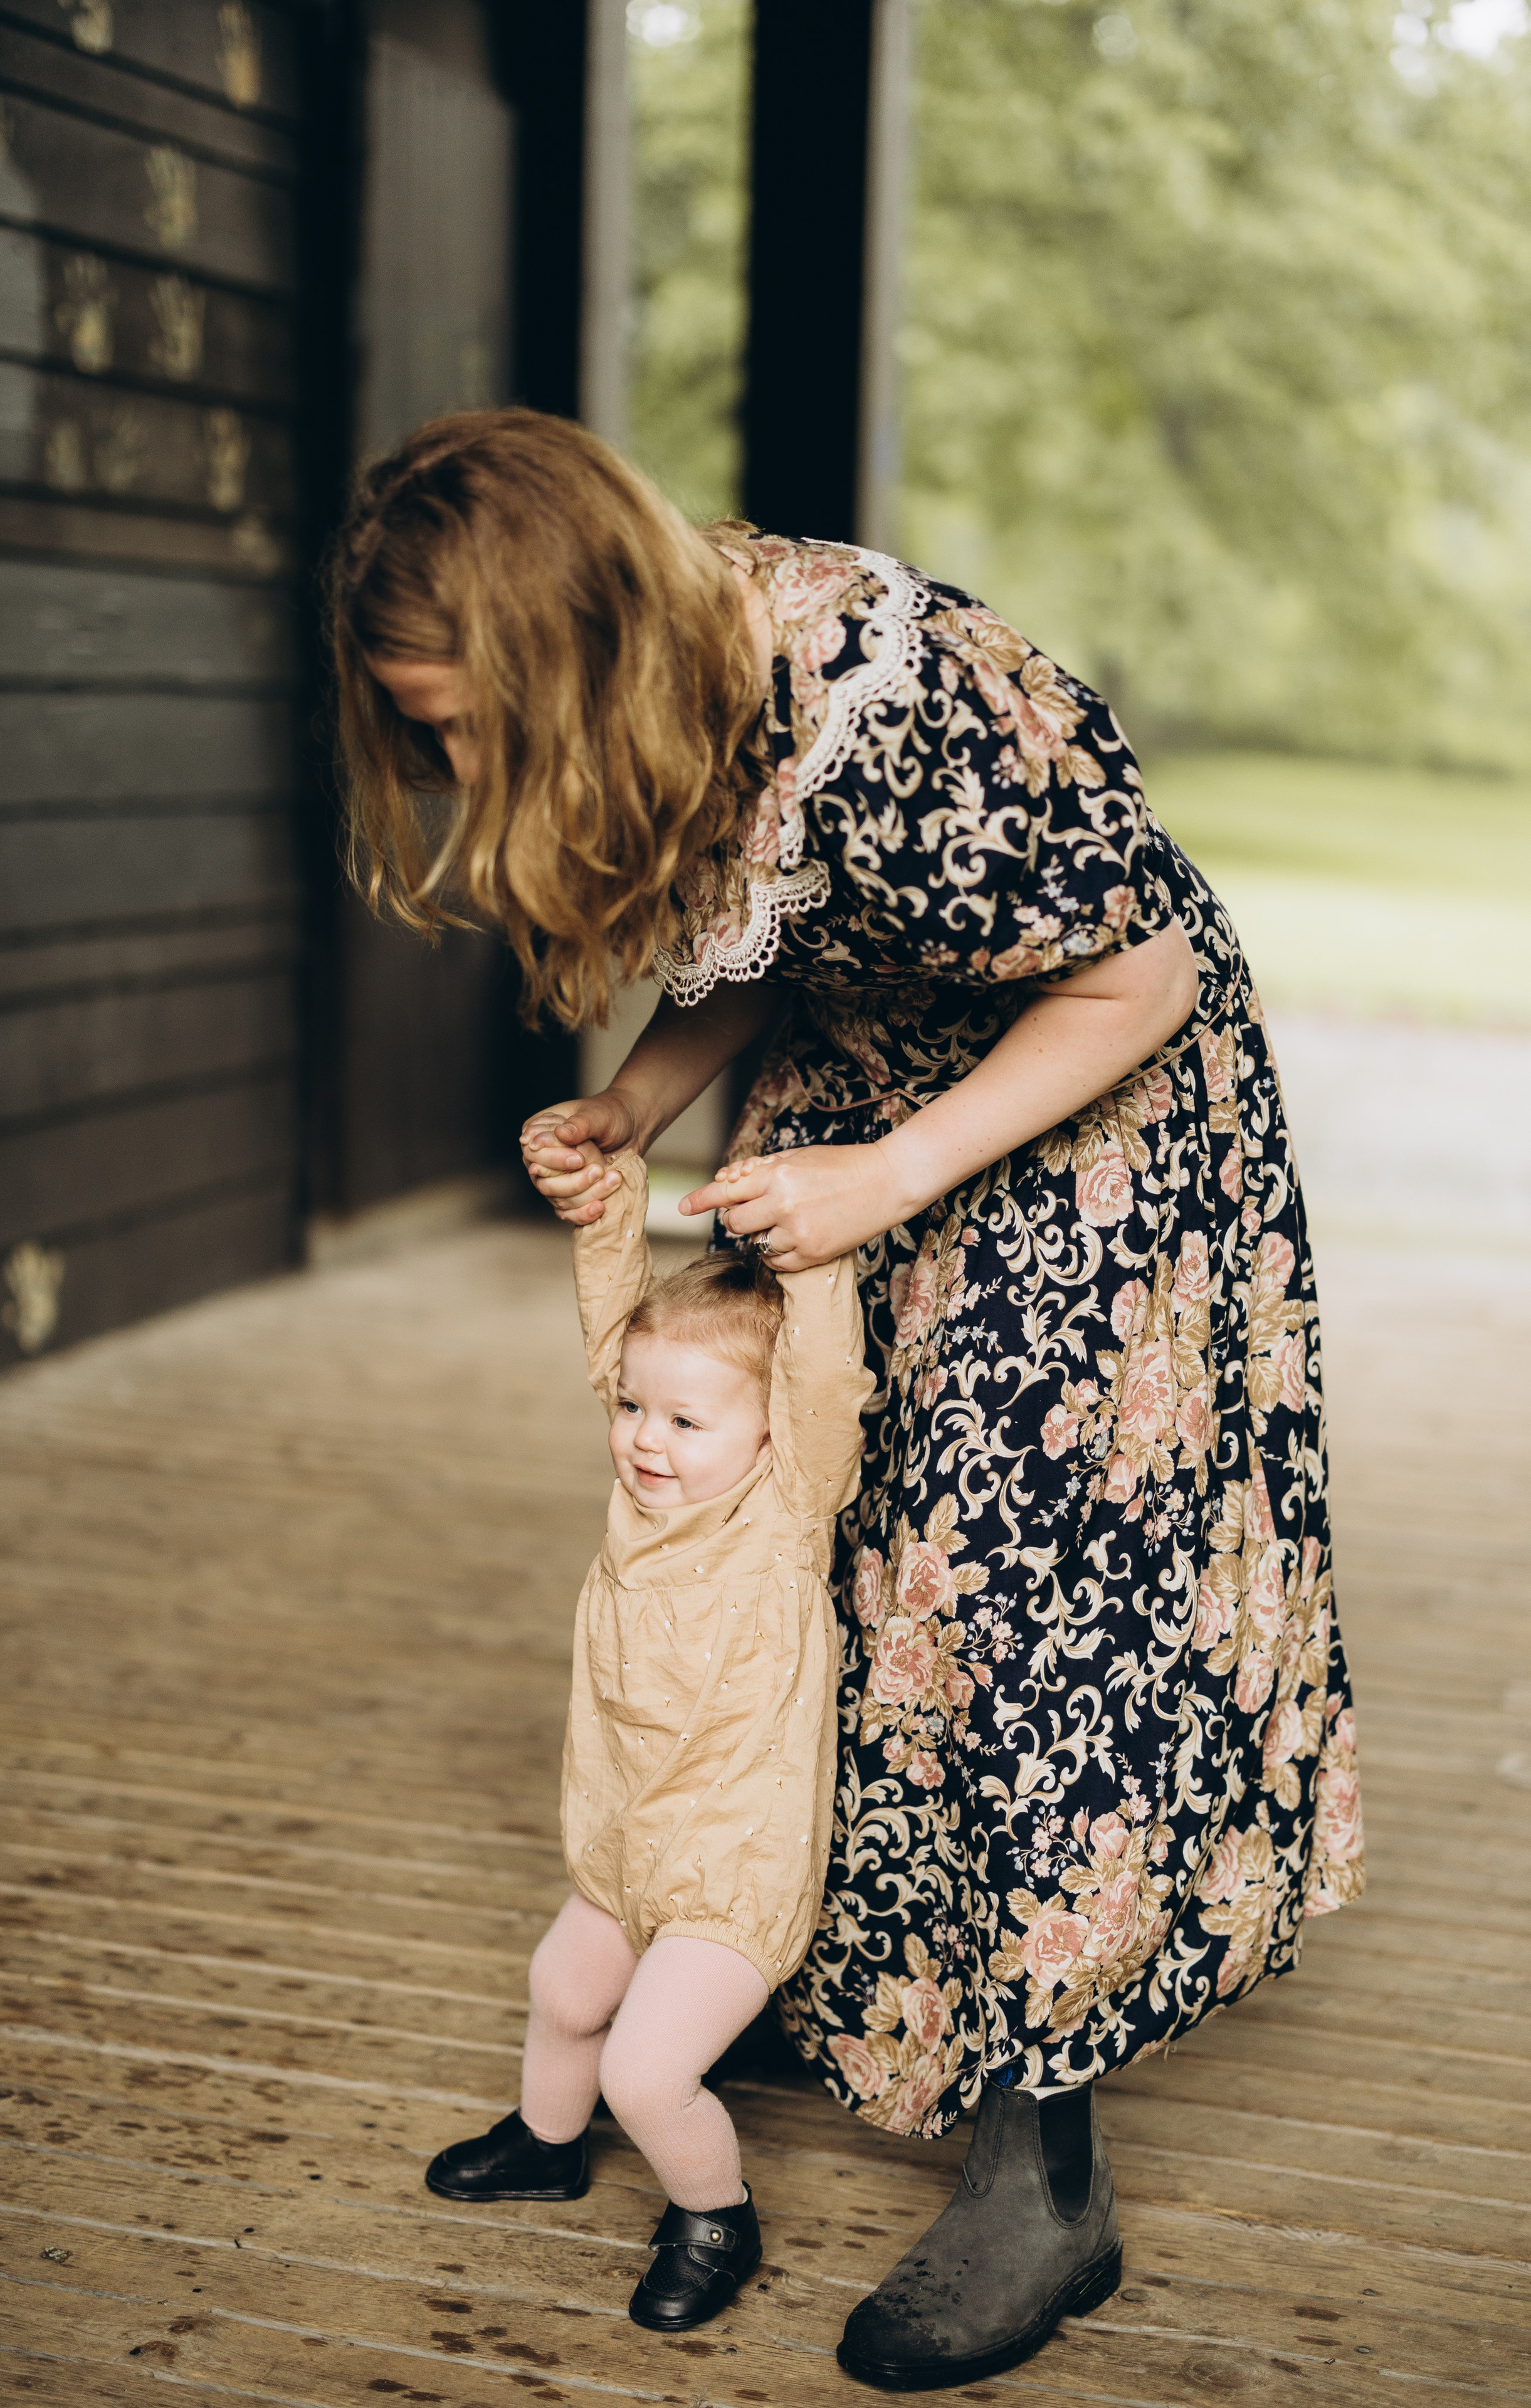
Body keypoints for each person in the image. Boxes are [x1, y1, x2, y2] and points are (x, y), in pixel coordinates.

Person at [332, 406, 1365, 2390]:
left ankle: (1043, 2171)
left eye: (471, 727)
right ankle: (824, 1974)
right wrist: (641, 1102)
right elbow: (785, 929)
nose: (461, 772)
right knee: (814, 1535)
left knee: (1003, 1600)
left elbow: (1138, 976)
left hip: (1080, 1123)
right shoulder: (674, 686)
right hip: (867, 1108)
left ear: (568, 651)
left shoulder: (897, 709)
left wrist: (894, 1176)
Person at [423, 1151, 871, 2333]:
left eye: (683, 1420)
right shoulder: (644, 1495)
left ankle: (716, 2215)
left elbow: (826, 1377)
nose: (643, 1439)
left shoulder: (785, 1509)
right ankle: (547, 2141)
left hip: (734, 1867)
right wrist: (607, 1201)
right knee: (564, 1989)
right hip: (629, 1840)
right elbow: (612, 1330)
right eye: (632, 1409)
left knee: (646, 2068)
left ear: (771, 1430)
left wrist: (817, 1261)